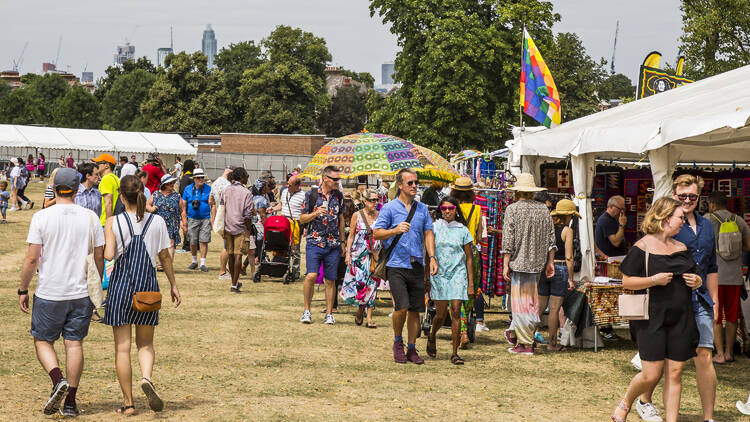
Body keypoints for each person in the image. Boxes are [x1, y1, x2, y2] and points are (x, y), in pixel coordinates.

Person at [18, 168, 105, 417]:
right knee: (74, 343)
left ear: (54, 188)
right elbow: (99, 257)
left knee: (43, 340)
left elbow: (32, 259)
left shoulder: (42, 217)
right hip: (80, 292)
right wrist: (96, 284)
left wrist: (23, 288)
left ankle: (58, 380)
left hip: (50, 290)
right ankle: (71, 402)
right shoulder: (90, 217)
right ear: (77, 190)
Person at [611, 197, 703, 422]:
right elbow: (626, 282)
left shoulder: (682, 248)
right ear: (665, 218)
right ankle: (626, 402)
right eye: (681, 217)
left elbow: (696, 274)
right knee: (651, 374)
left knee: (675, 373)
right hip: (651, 318)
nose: (684, 221)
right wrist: (653, 280)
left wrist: (697, 281)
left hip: (681, 318)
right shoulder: (642, 247)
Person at [638, 174, 719, 422]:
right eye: (681, 196)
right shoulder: (668, 224)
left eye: (692, 196)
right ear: (674, 195)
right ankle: (644, 400)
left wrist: (715, 302)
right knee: (668, 362)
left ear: (699, 197)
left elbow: (712, 267)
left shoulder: (706, 226)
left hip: (701, 300)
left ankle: (708, 417)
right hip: (672, 301)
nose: (686, 200)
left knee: (704, 354)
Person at [103, 175, 181, 416]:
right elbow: (164, 256)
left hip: (121, 288)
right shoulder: (157, 221)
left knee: (122, 348)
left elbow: (108, 255)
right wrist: (173, 285)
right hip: (148, 287)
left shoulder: (114, 221)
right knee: (145, 343)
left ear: (121, 197)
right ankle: (146, 377)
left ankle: (128, 404)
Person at [373, 168, 437, 364]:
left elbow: (428, 233)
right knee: (401, 306)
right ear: (399, 185)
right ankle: (397, 342)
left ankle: (411, 347)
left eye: (416, 182)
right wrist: (394, 230)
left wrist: (432, 257)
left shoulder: (422, 209)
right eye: (410, 183)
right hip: (396, 264)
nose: (414, 186)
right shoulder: (390, 208)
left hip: (416, 263)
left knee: (415, 309)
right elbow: (376, 233)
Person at [502, 173, 556, 355]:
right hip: (538, 263)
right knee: (531, 303)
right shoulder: (543, 209)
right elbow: (551, 239)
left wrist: (505, 263)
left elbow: (508, 240)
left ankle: (525, 343)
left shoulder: (513, 209)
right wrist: (550, 262)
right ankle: (520, 337)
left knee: (520, 305)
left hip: (519, 263)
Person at [426, 197, 474, 365]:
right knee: (440, 314)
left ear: (455, 209)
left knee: (455, 311)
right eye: (444, 208)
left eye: (451, 208)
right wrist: (427, 277)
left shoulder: (462, 230)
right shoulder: (434, 227)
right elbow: (428, 254)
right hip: (439, 274)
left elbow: (469, 258)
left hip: (458, 274)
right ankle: (432, 336)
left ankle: (454, 353)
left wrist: (471, 283)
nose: (447, 211)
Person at [706, 191, 750, 363]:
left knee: (716, 315)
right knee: (732, 316)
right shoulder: (738, 220)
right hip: (734, 275)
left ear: (712, 204)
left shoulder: (708, 219)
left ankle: (719, 354)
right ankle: (730, 352)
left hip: (715, 275)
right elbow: (747, 245)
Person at [299, 165, 346, 325]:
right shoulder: (311, 194)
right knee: (311, 276)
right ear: (325, 178)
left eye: (338, 179)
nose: (337, 181)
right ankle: (306, 310)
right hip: (315, 241)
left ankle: (329, 313)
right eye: (335, 179)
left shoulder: (338, 196)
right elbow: (302, 218)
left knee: (331, 280)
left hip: (333, 244)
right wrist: (315, 213)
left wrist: (343, 242)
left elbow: (341, 219)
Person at [537, 199, 579, 352]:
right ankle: (552, 343)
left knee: (539, 307)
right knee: (554, 309)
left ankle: (527, 339)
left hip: (544, 267)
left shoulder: (546, 227)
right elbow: (569, 257)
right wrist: (571, 278)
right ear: (569, 216)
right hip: (560, 268)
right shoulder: (567, 230)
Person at [450, 176, 486, 345]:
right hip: (472, 252)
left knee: (455, 292)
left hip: (454, 253)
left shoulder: (450, 209)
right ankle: (466, 327)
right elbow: (479, 237)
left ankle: (463, 331)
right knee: (471, 291)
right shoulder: (478, 210)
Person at [340, 188, 381, 327]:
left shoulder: (380, 216)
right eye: (372, 200)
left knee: (372, 284)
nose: (375, 202)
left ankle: (369, 317)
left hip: (373, 255)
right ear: (365, 201)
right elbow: (351, 235)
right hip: (358, 255)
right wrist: (347, 253)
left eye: (377, 200)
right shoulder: (357, 215)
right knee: (360, 284)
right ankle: (360, 309)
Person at [594, 195, 627, 341]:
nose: (623, 213)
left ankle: (607, 328)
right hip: (609, 263)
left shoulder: (608, 219)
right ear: (612, 207)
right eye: (621, 209)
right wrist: (622, 225)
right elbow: (615, 241)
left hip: (613, 260)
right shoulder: (606, 220)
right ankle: (605, 328)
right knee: (607, 297)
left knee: (609, 296)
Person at [222, 167, 254, 292]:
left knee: (230, 254)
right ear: (241, 177)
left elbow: (221, 208)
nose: (247, 178)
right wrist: (248, 229)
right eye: (246, 176)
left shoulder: (226, 190)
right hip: (241, 227)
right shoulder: (247, 193)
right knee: (238, 255)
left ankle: (233, 282)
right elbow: (248, 214)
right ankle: (234, 285)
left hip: (227, 226)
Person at [146, 174, 182, 268]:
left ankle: (167, 265)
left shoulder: (177, 196)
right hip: (157, 223)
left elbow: (182, 210)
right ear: (164, 184)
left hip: (172, 223)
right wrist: (151, 208)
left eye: (173, 183)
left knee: (170, 244)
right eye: (170, 183)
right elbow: (147, 205)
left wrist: (184, 222)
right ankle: (160, 264)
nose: (172, 184)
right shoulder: (156, 194)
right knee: (158, 244)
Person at [181, 168, 212, 272]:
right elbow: (183, 206)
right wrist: (184, 221)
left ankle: (203, 263)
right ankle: (194, 261)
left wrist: (213, 219)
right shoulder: (188, 189)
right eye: (198, 178)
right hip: (192, 218)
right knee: (193, 241)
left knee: (204, 240)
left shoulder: (208, 189)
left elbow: (213, 204)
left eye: (202, 177)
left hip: (205, 218)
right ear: (194, 179)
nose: (200, 179)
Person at [276, 174, 305, 280]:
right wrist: (273, 208)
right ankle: (282, 269)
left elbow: (304, 212)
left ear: (297, 186)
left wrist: (304, 227)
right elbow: (281, 205)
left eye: (290, 185)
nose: (287, 186)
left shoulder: (303, 195)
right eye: (287, 184)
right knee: (282, 247)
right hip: (284, 223)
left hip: (296, 224)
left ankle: (295, 272)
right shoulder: (284, 192)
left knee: (295, 249)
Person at [209, 167, 234, 280]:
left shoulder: (215, 183)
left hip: (220, 215)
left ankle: (227, 270)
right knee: (228, 246)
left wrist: (214, 219)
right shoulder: (228, 185)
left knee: (228, 245)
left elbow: (211, 201)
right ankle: (222, 271)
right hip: (229, 216)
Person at [94, 153, 120, 227]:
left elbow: (108, 203)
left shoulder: (106, 179)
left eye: (98, 163)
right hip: (115, 219)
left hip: (104, 222)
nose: (96, 165)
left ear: (107, 165)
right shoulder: (116, 178)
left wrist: (108, 225)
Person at [177, 160, 195, 252]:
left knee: (186, 224)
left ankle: (187, 245)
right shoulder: (193, 177)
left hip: (186, 205)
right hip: (194, 205)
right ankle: (195, 245)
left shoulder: (185, 178)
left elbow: (182, 191)